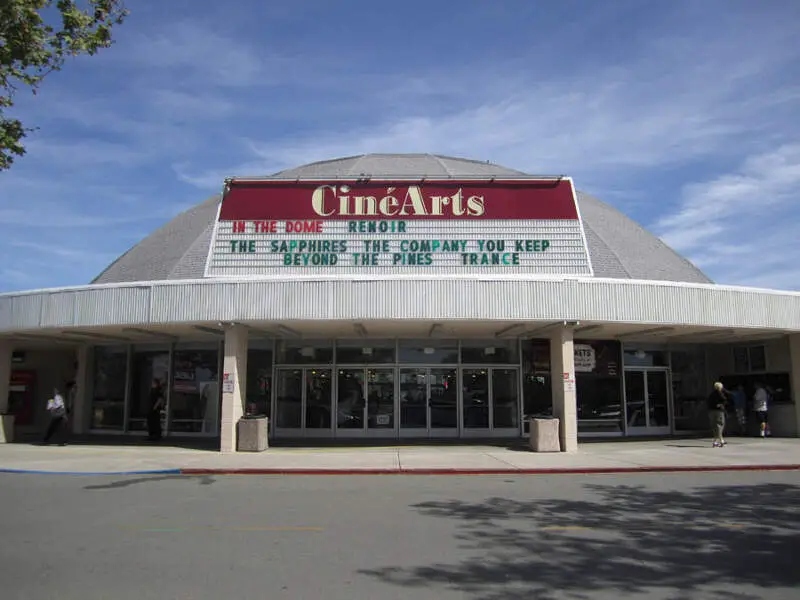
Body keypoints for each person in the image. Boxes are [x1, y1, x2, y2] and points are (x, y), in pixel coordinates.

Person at [707, 382, 729, 448]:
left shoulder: (711, 394)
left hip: (711, 411)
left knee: (714, 426)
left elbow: (708, 402)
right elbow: (725, 400)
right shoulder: (720, 393)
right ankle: (721, 440)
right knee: (720, 425)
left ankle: (716, 441)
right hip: (718, 411)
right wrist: (721, 405)